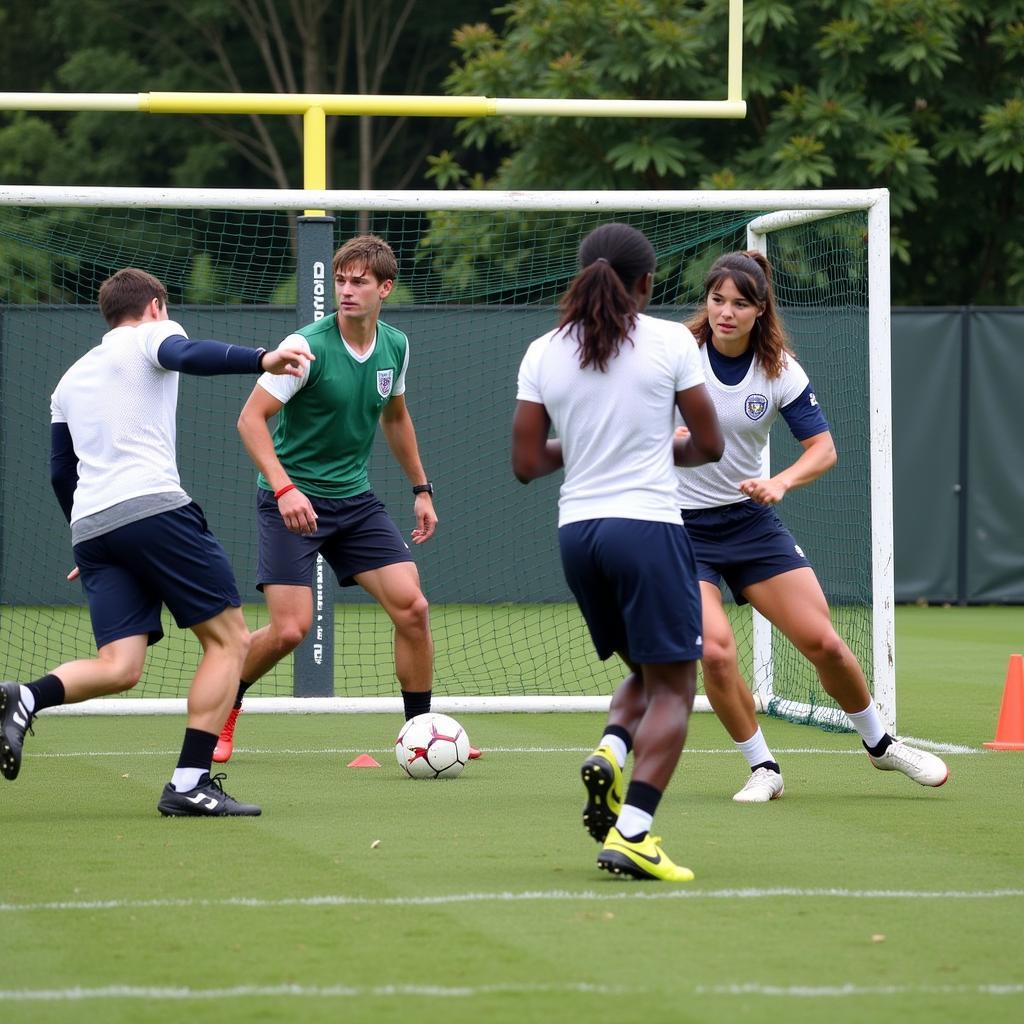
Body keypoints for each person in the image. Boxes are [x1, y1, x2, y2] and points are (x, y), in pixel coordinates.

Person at [0, 267, 312, 816]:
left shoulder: (68, 380)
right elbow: (188, 356)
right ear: (154, 306)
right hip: (154, 508)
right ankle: (190, 782)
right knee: (230, 641)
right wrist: (261, 357)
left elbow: (59, 473)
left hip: (93, 527)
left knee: (121, 665)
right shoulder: (150, 334)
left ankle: (25, 695)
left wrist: (87, 536)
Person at [676, 250, 948, 803]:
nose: (725, 312)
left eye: (739, 303)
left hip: (752, 524)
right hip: (679, 530)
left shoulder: (779, 369)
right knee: (717, 653)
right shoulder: (676, 354)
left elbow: (822, 450)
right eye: (717, 299)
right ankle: (764, 769)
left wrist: (780, 483)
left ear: (760, 309)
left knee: (824, 642)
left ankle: (880, 745)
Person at [512, 223, 724, 881]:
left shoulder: (542, 350)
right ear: (646, 284)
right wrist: (658, 446)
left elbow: (525, 463)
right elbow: (709, 446)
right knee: (676, 688)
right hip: (648, 529)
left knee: (647, 670)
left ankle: (610, 749)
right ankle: (634, 832)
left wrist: (589, 447)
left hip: (579, 535)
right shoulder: (671, 342)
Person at [218, 234, 479, 759]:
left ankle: (420, 733)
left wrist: (421, 489)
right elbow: (250, 420)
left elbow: (396, 416)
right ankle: (224, 708)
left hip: (354, 502)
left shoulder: (395, 345)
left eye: (359, 281)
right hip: (291, 501)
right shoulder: (305, 347)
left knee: (413, 608)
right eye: (340, 280)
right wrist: (284, 487)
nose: (346, 290)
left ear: (386, 287)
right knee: (291, 629)